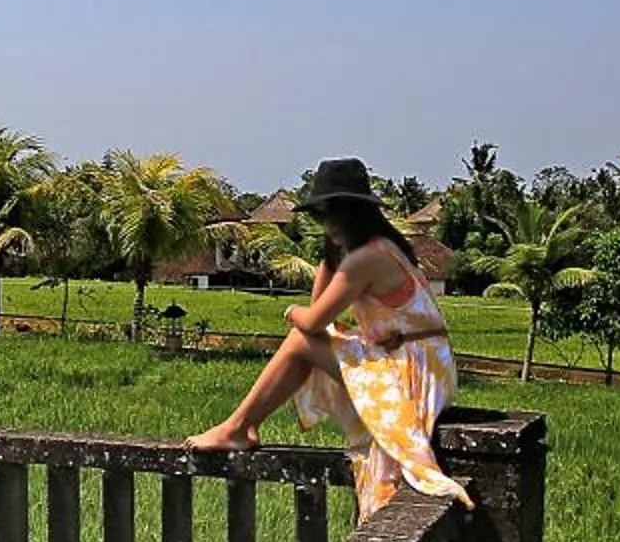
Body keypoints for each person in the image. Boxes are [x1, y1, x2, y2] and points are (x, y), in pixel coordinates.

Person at [186, 158, 470, 515]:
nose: (326, 224)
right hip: (420, 363)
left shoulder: (368, 258)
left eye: (331, 215)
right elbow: (320, 308)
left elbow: (313, 320)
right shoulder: (378, 248)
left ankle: (240, 426)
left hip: (414, 370)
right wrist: (330, 254)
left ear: (352, 213)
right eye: (321, 216)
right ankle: (240, 426)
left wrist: (290, 313)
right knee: (310, 338)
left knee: (300, 340)